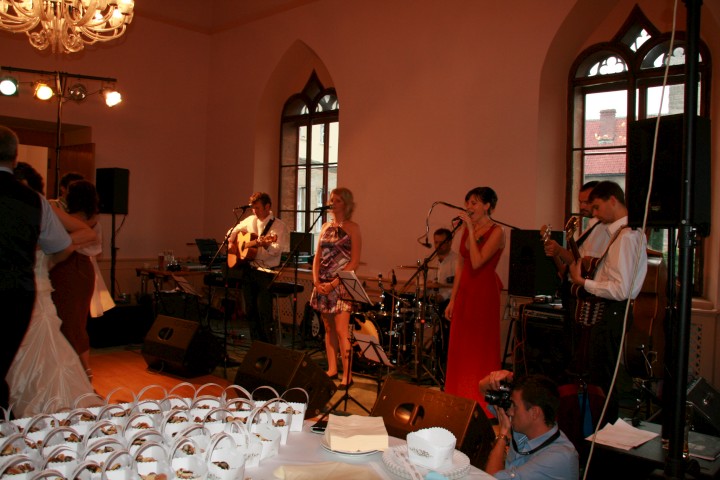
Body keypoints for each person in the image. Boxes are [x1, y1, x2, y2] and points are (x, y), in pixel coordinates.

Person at [8, 163, 96, 417]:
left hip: (38, 292)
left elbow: (83, 234)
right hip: (28, 289)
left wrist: (48, 251)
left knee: (55, 350)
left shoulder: (41, 205)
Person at [0, 125, 73, 412]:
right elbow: (62, 245)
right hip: (17, 294)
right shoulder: (34, 200)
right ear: (15, 157)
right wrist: (41, 264)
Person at [568, 180, 647, 423]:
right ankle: (600, 427)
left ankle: (606, 429)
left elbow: (621, 289)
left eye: (597, 206)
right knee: (598, 376)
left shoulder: (626, 236)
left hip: (613, 311)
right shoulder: (621, 234)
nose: (594, 213)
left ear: (613, 200)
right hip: (610, 310)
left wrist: (583, 283)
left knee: (604, 379)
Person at [444, 187, 505, 412]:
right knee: (460, 348)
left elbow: (478, 262)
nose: (469, 207)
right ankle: (457, 397)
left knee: (479, 348)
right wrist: (453, 298)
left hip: (484, 293)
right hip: (465, 292)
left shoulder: (497, 231)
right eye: (468, 202)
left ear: (487, 206)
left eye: (474, 203)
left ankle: (481, 402)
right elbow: (461, 265)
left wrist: (469, 228)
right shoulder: (466, 230)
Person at [480, 369, 579, 479]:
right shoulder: (528, 425)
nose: (510, 411)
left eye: (514, 406)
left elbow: (489, 479)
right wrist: (496, 378)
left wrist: (502, 436)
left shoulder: (557, 458)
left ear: (534, 413)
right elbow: (483, 389)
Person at [309, 187, 362, 389]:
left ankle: (347, 375)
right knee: (328, 328)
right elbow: (317, 257)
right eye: (332, 199)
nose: (333, 203)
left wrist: (334, 283)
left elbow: (354, 262)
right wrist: (316, 282)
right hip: (323, 283)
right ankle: (332, 369)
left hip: (341, 285)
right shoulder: (325, 227)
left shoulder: (353, 228)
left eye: (338, 200)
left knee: (341, 330)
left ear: (347, 205)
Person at [50, 180, 102, 379]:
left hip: (70, 268)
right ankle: (77, 371)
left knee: (72, 321)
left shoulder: (85, 219)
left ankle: (83, 372)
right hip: (79, 270)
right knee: (73, 320)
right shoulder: (91, 217)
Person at [227, 192, 290, 344]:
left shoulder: (279, 226)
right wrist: (231, 243)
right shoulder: (250, 220)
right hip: (249, 270)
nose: (254, 211)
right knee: (250, 311)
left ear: (267, 207)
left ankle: (268, 346)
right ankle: (255, 345)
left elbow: (277, 250)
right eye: (253, 208)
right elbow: (232, 230)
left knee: (264, 312)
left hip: (266, 273)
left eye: (257, 208)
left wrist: (266, 244)